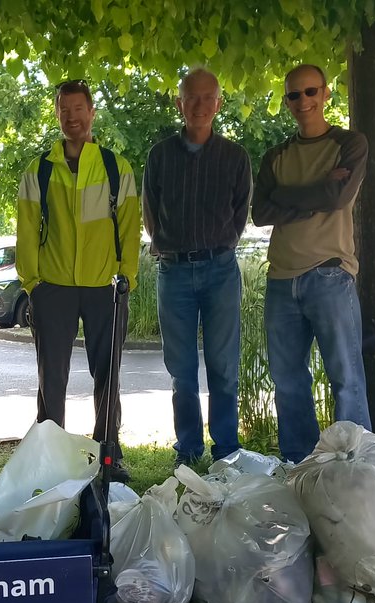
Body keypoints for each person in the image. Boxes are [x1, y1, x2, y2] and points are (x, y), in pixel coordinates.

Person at [16, 79, 142, 481]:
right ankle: (49, 458)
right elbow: (26, 231)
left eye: (78, 109)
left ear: (91, 113)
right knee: (51, 379)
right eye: (64, 110)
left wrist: (126, 277)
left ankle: (108, 454)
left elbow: (130, 228)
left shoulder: (115, 167)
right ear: (57, 115)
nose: (72, 117)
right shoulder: (39, 170)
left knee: (108, 374)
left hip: (105, 286)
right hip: (52, 287)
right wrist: (33, 283)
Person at [252, 63, 371, 463]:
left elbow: (337, 199)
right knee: (287, 383)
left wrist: (285, 196)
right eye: (294, 94)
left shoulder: (350, 144)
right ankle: (299, 468)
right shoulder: (275, 156)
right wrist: (318, 190)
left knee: (346, 380)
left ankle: (357, 468)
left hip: (330, 274)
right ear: (287, 101)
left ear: (325, 94)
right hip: (281, 279)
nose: (303, 101)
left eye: (310, 92)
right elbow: (259, 213)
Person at [142, 68, 251, 467]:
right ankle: (187, 450)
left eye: (208, 98)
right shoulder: (159, 156)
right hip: (173, 272)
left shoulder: (235, 157)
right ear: (179, 103)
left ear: (218, 104)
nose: (200, 105)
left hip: (220, 270)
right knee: (182, 370)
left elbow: (240, 213)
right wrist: (171, 245)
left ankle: (226, 451)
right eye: (192, 97)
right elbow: (150, 213)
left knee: (224, 366)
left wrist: (219, 244)